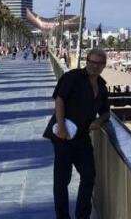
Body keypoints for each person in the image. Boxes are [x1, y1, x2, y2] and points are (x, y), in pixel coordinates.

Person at [43, 48, 110, 219]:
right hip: (62, 136)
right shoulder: (73, 77)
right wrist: (61, 127)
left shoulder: (102, 86)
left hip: (82, 137)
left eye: (98, 63)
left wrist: (99, 121)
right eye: (91, 61)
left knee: (89, 175)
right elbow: (59, 99)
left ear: (104, 65)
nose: (94, 66)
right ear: (86, 61)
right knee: (61, 181)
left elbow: (106, 112)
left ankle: (82, 215)